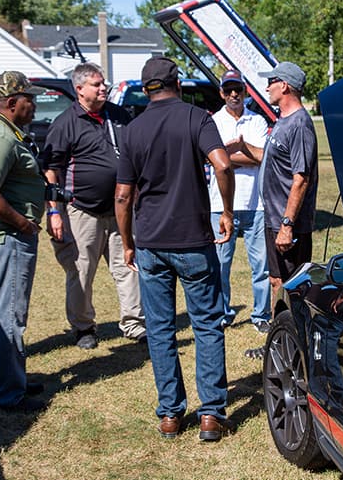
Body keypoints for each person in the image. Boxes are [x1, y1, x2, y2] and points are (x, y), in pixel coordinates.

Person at [115, 56, 235, 441]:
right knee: (206, 326)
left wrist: (128, 242)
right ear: (177, 83)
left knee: (161, 329)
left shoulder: (132, 130)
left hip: (150, 242)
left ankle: (170, 414)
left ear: (146, 87)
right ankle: (211, 415)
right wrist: (228, 212)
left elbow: (122, 195)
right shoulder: (196, 118)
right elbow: (223, 165)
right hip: (193, 241)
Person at [42, 62, 146, 350]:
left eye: (104, 84)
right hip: (82, 210)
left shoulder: (119, 115)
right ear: (79, 89)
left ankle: (134, 323)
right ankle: (83, 327)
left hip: (121, 210)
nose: (104, 88)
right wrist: (54, 211)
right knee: (81, 271)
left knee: (127, 266)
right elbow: (52, 169)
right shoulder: (66, 123)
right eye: (97, 84)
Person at [0, 71, 47, 413]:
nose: (34, 104)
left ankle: (10, 378)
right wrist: (23, 224)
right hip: (7, 236)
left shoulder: (8, 131)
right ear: (12, 103)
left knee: (6, 309)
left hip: (8, 235)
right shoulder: (1, 137)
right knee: (9, 313)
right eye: (29, 99)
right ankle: (5, 393)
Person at [243, 62, 318, 359]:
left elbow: (301, 177)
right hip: (274, 219)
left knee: (292, 288)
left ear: (285, 85)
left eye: (271, 82)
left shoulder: (299, 123)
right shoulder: (283, 121)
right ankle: (279, 342)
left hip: (289, 225)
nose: (267, 87)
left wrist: (287, 224)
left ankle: (294, 345)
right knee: (277, 282)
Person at [208, 69, 271, 332]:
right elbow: (206, 157)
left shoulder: (256, 120)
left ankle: (261, 315)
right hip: (221, 205)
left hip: (256, 204)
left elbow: (262, 157)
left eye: (239, 90)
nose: (234, 94)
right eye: (229, 90)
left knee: (262, 266)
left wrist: (225, 157)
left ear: (245, 92)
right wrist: (244, 152)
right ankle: (223, 313)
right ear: (222, 93)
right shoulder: (212, 122)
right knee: (220, 264)